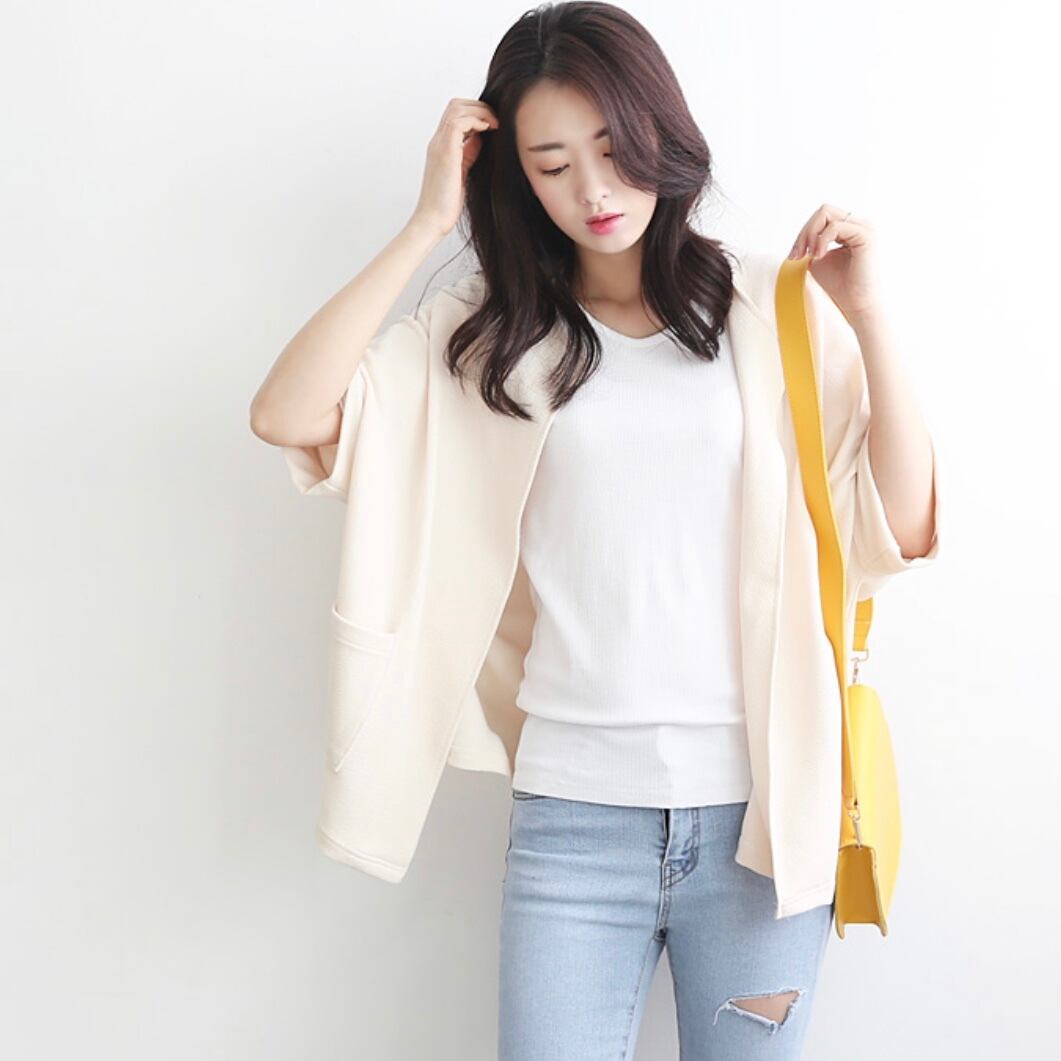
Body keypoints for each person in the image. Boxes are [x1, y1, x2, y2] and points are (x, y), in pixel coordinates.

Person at [250, 4, 941, 1058]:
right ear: (515, 177)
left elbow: (900, 526)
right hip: (570, 821)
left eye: (614, 149)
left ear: (662, 131)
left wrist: (871, 317)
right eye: (552, 163)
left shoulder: (773, 309)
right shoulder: (486, 337)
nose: (593, 190)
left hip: (761, 820)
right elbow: (286, 415)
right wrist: (427, 223)